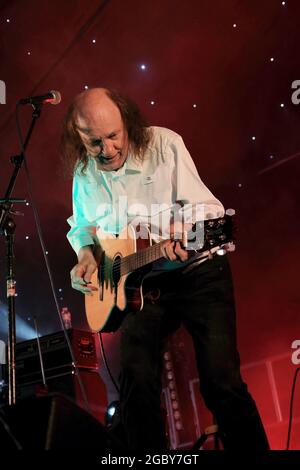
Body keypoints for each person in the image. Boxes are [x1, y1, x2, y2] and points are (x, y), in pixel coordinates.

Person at [61, 87, 269, 452]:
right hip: (143, 289)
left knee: (221, 383)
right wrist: (86, 255)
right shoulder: (84, 172)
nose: (106, 150)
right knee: (136, 389)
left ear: (127, 123)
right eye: (94, 142)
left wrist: (185, 235)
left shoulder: (164, 145)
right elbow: (82, 227)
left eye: (113, 136)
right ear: (78, 137)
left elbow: (209, 212)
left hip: (198, 273)